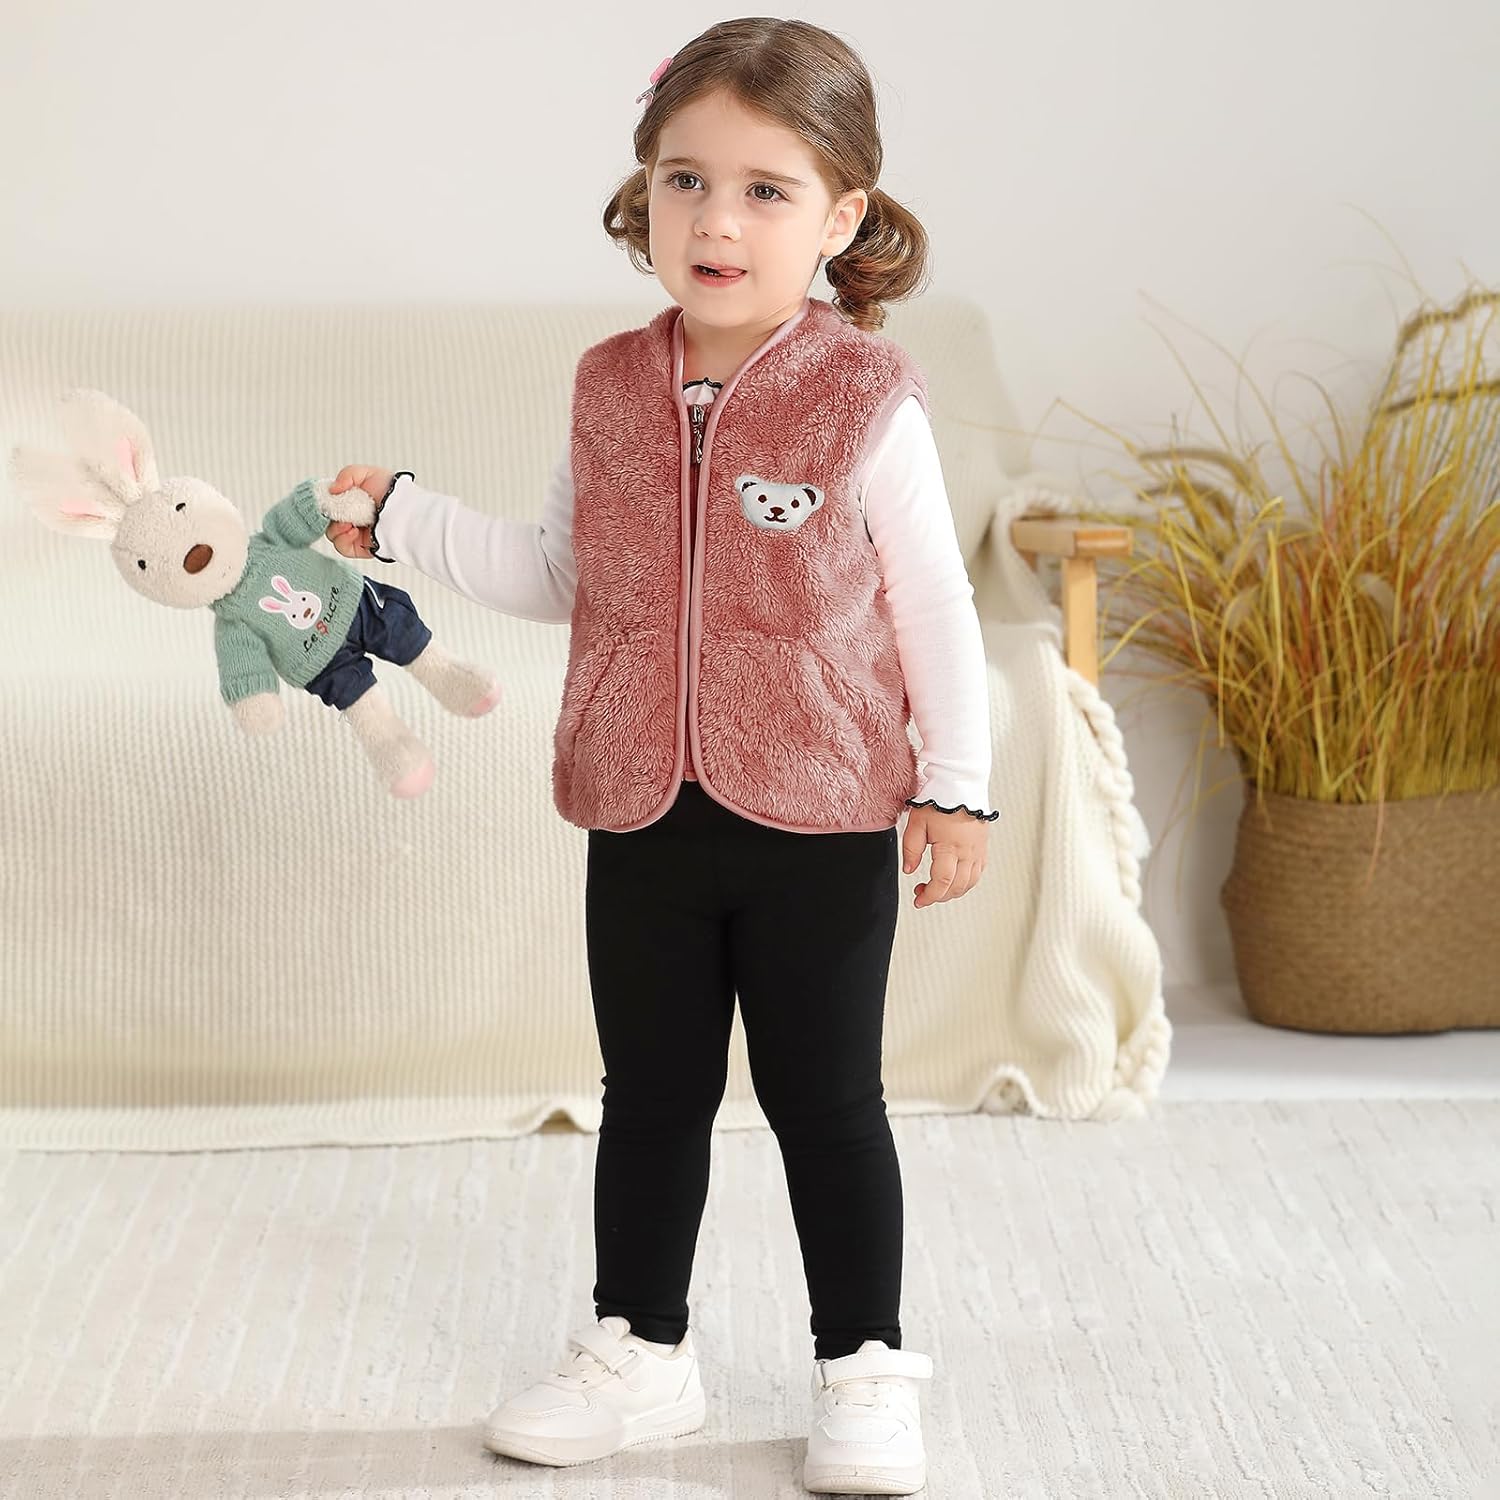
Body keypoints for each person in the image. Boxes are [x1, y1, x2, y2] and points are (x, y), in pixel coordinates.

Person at [325, 18, 995, 1494]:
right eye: (686, 180)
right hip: (640, 800)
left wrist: (956, 784)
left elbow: (932, 603)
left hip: (821, 805)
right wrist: (406, 516)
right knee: (649, 1097)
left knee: (828, 1102)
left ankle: (865, 1366)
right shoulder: (610, 384)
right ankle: (640, 1352)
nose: (717, 221)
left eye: (766, 190)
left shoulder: (863, 396)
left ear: (842, 217)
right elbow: (563, 571)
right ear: (645, 194)